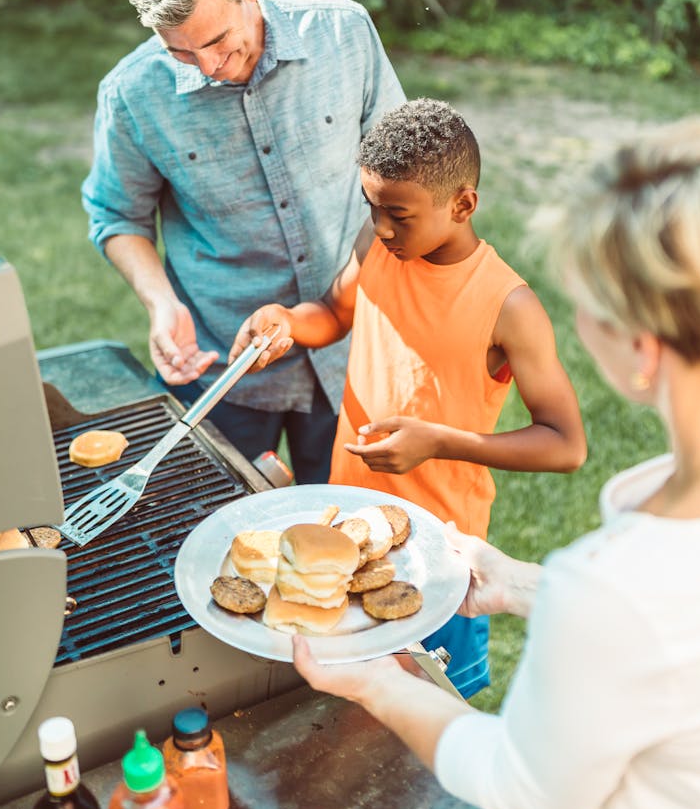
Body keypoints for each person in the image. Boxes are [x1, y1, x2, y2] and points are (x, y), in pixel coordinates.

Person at [288, 117, 700, 809]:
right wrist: (526, 585)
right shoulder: (606, 593)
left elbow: (522, 789)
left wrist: (373, 680)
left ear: (637, 349)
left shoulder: (607, 590)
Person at [231, 98, 586, 695]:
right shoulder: (379, 248)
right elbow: (333, 312)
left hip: (443, 552)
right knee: (348, 704)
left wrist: (439, 443)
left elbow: (565, 443)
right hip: (351, 526)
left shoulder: (509, 307)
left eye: (398, 214)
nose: (383, 227)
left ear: (462, 204)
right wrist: (288, 323)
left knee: (429, 709)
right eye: (372, 209)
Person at [81, 0, 404, 483]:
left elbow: (404, 179)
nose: (206, 66)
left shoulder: (345, 33)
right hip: (222, 370)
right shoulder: (132, 94)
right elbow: (114, 215)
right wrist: (161, 303)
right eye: (180, 50)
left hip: (356, 351)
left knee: (349, 546)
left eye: (218, 40)